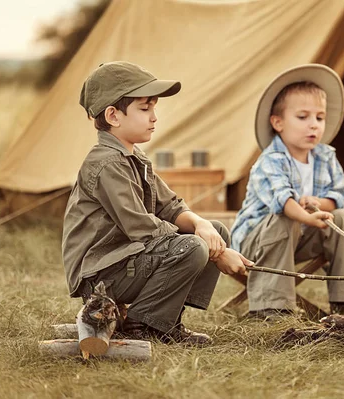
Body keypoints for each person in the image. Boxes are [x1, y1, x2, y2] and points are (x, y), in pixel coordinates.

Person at [62, 61, 252, 346]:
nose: (154, 117)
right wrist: (216, 254)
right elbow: (141, 226)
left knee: (213, 231)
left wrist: (203, 227)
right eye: (144, 108)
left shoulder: (135, 157)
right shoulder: (105, 163)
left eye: (153, 108)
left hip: (127, 260)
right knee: (193, 246)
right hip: (102, 273)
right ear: (113, 115)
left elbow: (171, 207)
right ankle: (142, 323)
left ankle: (166, 319)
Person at [230, 64, 344, 319]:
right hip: (256, 244)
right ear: (278, 123)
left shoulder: (325, 156)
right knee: (286, 218)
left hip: (299, 238)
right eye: (303, 117)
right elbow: (283, 202)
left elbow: (338, 197)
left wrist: (319, 205)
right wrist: (306, 216)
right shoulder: (270, 160)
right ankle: (272, 306)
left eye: (319, 118)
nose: (313, 125)